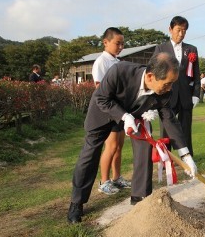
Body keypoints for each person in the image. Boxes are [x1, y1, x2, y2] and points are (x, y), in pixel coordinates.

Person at [67, 52, 197, 223]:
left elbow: (169, 119)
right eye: (167, 84)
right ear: (150, 76)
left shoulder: (164, 91)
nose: (170, 89)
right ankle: (77, 202)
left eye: (172, 84)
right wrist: (124, 116)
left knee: (145, 147)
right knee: (89, 154)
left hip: (136, 117)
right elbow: (101, 98)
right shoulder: (119, 71)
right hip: (104, 113)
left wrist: (185, 155)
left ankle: (140, 198)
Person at [153, 16, 201, 156]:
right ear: (170, 29)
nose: (181, 34)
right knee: (166, 130)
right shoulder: (161, 48)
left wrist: (196, 94)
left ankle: (187, 157)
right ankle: (166, 158)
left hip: (186, 95)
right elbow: (154, 73)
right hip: (167, 97)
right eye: (178, 30)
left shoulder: (192, 49)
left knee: (186, 128)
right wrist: (155, 99)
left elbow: (196, 74)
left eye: (184, 31)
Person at [91, 27, 130, 195]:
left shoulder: (117, 61)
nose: (120, 47)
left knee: (119, 146)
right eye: (117, 43)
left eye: (122, 44)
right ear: (105, 42)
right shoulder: (102, 62)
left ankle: (116, 177)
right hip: (109, 112)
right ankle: (104, 181)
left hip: (120, 110)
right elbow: (100, 89)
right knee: (111, 146)